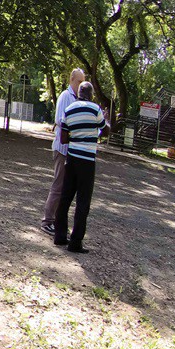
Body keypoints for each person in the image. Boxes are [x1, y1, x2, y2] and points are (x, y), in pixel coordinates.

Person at [53, 81, 108, 254]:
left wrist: (77, 136)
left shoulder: (69, 110)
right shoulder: (95, 109)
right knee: (83, 202)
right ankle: (75, 242)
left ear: (78, 93)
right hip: (87, 161)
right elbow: (105, 131)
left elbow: (63, 138)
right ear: (91, 94)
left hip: (72, 158)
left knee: (65, 197)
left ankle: (60, 236)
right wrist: (106, 120)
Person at [42, 68, 85, 236]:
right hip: (62, 148)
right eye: (79, 82)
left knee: (65, 187)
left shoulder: (76, 99)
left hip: (70, 150)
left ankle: (57, 221)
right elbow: (60, 120)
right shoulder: (66, 96)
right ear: (72, 80)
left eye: (83, 82)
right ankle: (47, 220)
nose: (81, 85)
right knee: (58, 185)